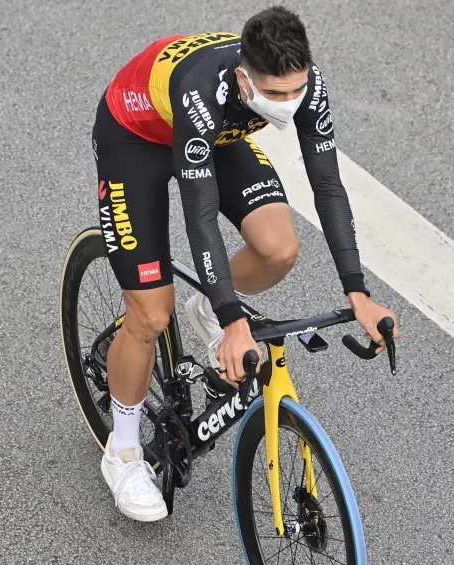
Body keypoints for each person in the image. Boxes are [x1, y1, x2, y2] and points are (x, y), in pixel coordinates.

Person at [92, 6, 400, 522]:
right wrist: (235, 320)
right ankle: (121, 452)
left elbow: (328, 186)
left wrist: (358, 292)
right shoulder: (201, 90)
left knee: (279, 248)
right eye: (274, 94)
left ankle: (207, 309)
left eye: (296, 90)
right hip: (137, 139)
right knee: (150, 314)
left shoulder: (307, 86)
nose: (289, 103)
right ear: (243, 78)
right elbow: (200, 216)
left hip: (217, 134)